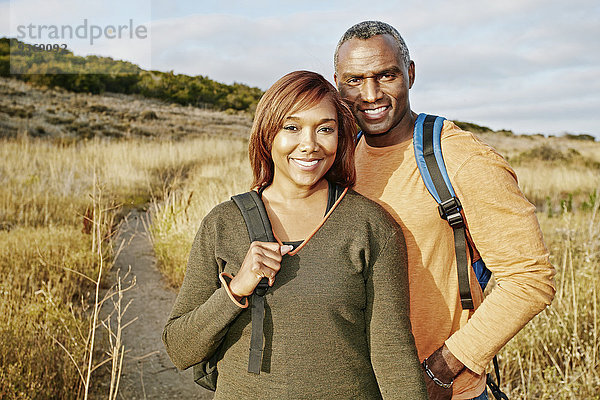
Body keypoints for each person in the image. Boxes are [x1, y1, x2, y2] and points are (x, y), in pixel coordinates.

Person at [162, 70, 428, 399]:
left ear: (341, 138)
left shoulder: (371, 227)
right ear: (267, 134)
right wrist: (235, 290)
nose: (310, 145)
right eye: (292, 127)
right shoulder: (223, 223)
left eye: (326, 129)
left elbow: (394, 358)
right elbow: (180, 348)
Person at [333, 21, 556, 400]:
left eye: (386, 75)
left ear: (411, 73)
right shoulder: (338, 154)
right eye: (354, 80)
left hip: (442, 389)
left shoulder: (459, 156)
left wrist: (444, 368)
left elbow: (530, 279)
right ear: (336, 82)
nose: (370, 95)